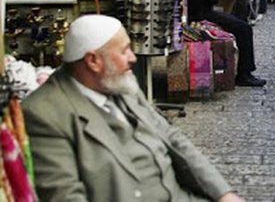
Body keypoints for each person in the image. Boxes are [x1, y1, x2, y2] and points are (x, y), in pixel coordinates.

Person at [22, 14, 245, 202]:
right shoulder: (44, 113)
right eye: (124, 51)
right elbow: (65, 195)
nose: (132, 58)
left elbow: (173, 138)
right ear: (93, 61)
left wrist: (223, 193)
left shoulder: (119, 82)